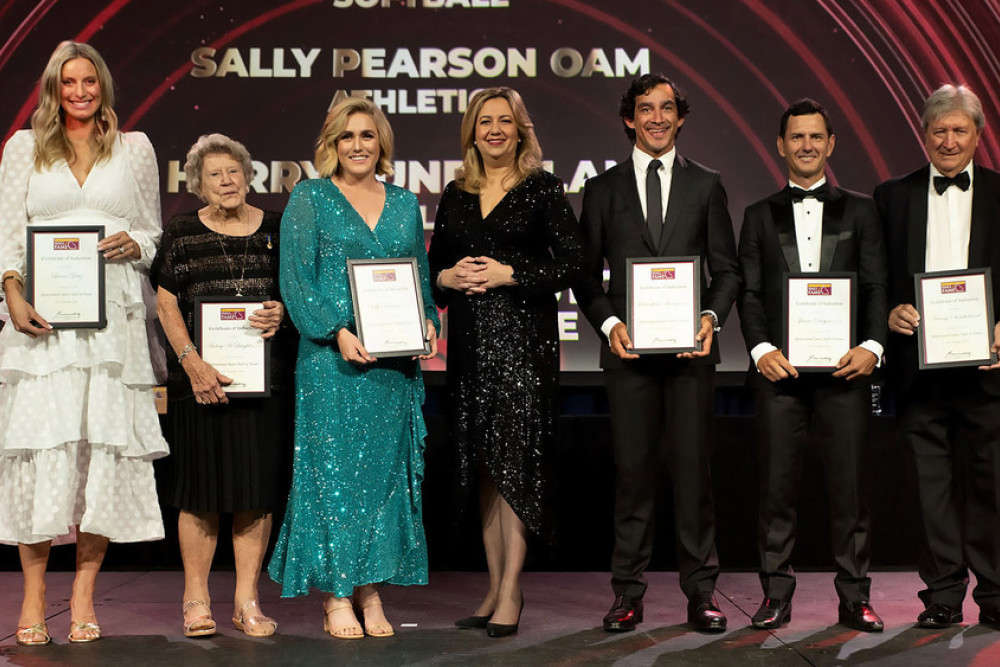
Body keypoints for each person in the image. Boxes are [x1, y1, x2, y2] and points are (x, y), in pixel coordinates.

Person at [0, 41, 167, 645]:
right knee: (43, 454)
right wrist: (11, 292)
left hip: (111, 328)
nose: (79, 91)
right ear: (54, 87)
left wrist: (137, 245)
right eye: (68, 81)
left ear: (102, 86)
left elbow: (152, 229)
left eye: (88, 81)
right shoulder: (24, 147)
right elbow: (8, 233)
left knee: (100, 455)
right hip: (45, 328)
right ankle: (35, 595)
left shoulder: (135, 147)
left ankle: (83, 599)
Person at [574, 73, 740, 633]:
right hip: (629, 358)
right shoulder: (601, 189)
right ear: (629, 118)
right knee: (633, 476)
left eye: (667, 109)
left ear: (681, 117)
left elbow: (728, 270)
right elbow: (584, 277)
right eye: (646, 109)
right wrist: (611, 323)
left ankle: (701, 593)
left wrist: (711, 318)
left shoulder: (707, 184)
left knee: (695, 477)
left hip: (692, 358)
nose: (657, 119)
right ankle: (628, 594)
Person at [267, 97, 438, 640]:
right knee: (334, 477)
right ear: (332, 144)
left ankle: (370, 589)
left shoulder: (406, 203)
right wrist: (336, 331)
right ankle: (337, 594)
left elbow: (420, 277)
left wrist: (428, 321)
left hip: (391, 370)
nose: (358, 145)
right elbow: (297, 281)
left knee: (382, 481)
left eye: (367, 135)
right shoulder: (310, 197)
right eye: (347, 136)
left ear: (381, 143)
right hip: (330, 363)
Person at [428, 87, 584, 638]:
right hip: (469, 349)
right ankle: (493, 587)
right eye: (484, 122)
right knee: (486, 467)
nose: (495, 130)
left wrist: (509, 273)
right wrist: (446, 279)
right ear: (471, 132)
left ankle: (513, 591)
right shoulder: (455, 193)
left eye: (505, 121)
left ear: (521, 129)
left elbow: (573, 261)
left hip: (524, 345)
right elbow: (434, 269)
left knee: (516, 466)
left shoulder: (541, 188)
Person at [737, 99, 887, 631]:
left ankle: (855, 598)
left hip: (846, 373)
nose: (806, 145)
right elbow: (749, 294)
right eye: (796, 137)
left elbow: (875, 286)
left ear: (830, 144)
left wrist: (872, 345)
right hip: (781, 376)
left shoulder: (864, 210)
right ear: (781, 146)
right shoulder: (757, 215)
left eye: (815, 137)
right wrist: (760, 351)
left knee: (850, 491)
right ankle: (776, 595)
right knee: (777, 489)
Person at [151, 134, 294, 638]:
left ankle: (247, 602)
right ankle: (195, 601)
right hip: (201, 386)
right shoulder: (182, 232)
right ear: (197, 184)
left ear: (248, 174)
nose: (227, 181)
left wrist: (283, 311)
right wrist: (191, 363)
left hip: (264, 387)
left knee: (255, 496)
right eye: (214, 174)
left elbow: (297, 293)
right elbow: (166, 305)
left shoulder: (279, 228)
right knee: (200, 495)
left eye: (233, 171)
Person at [874, 84, 1000, 630]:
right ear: (923, 135)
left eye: (959, 130)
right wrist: (887, 314)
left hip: (988, 370)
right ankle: (944, 595)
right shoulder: (890, 196)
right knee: (930, 492)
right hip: (918, 371)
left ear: (978, 135)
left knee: (993, 484)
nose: (948, 140)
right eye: (938, 130)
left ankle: (996, 596)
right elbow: (873, 278)